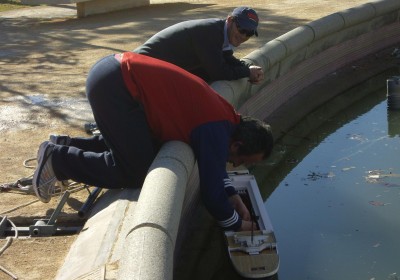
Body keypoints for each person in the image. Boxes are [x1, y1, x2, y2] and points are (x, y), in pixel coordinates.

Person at [32, 52, 273, 232]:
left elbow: (216, 169)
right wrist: (236, 224)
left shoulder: (226, 119)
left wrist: (232, 197)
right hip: (117, 86)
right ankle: (58, 160)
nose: (235, 163)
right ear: (237, 145)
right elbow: (211, 192)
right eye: (241, 160)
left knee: (138, 149)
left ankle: (67, 145)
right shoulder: (216, 130)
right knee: (135, 171)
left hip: (114, 74)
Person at [134, 6, 264, 83]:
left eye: (249, 33)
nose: (243, 36)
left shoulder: (220, 31)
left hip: (151, 70)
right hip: (137, 68)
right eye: (241, 29)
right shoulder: (210, 33)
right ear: (230, 20)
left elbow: (227, 59)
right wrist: (247, 72)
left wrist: (250, 68)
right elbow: (219, 72)